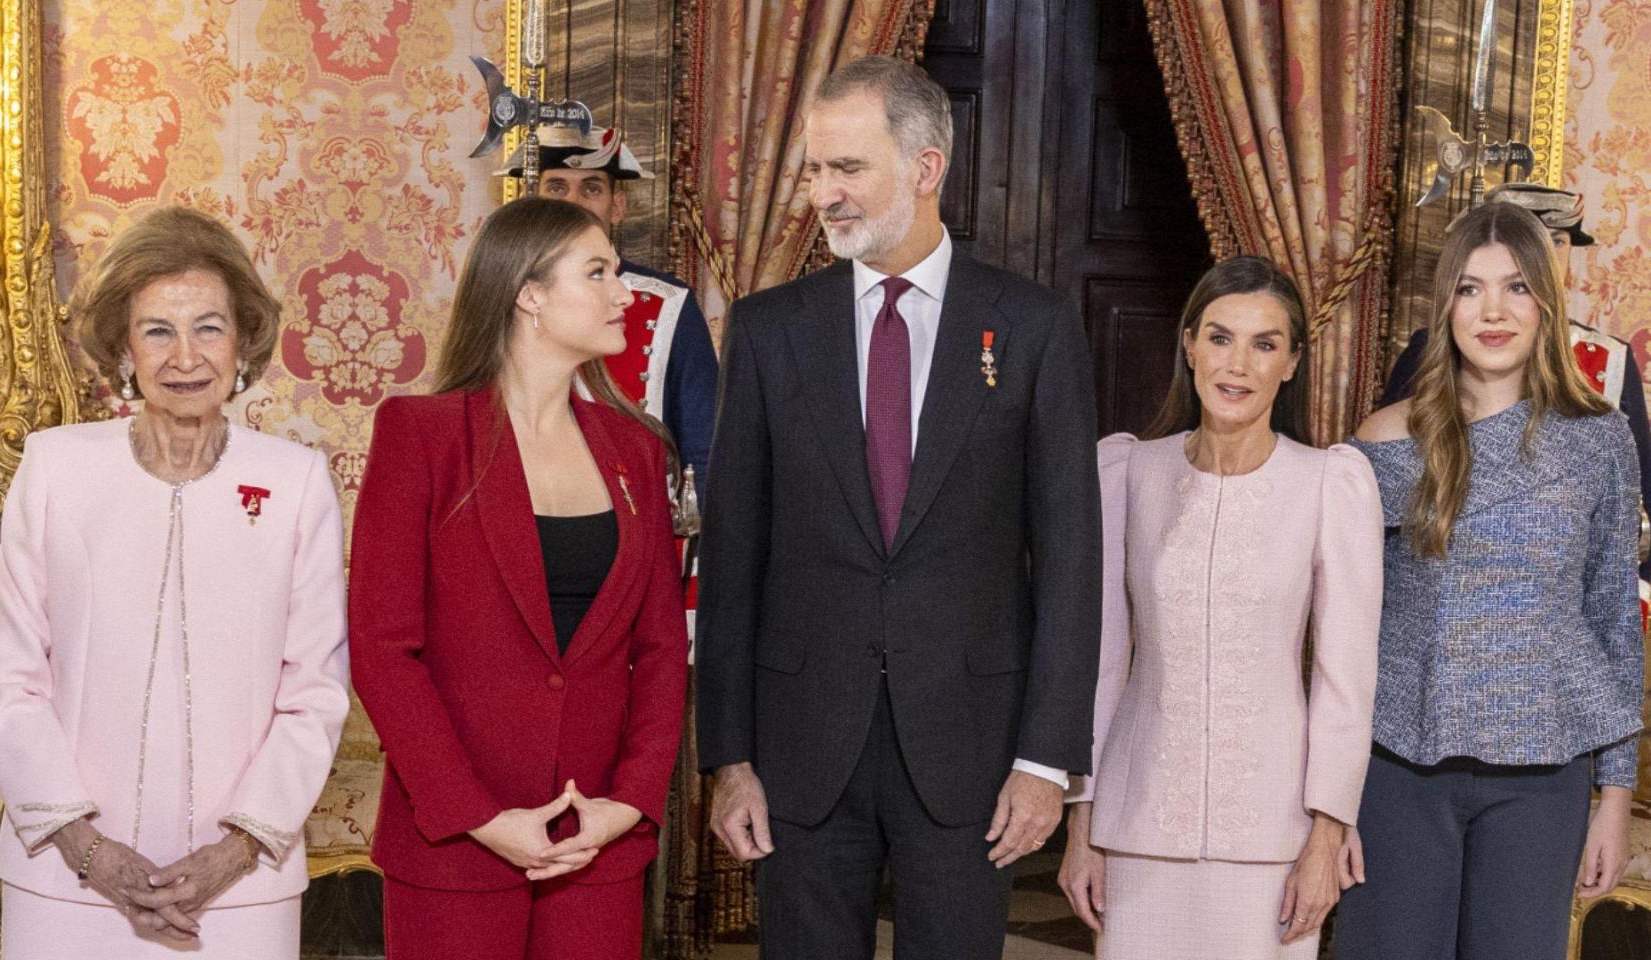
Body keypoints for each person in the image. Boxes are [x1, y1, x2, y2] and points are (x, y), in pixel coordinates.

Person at [695, 55, 1100, 959]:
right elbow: (733, 560)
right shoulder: (768, 331)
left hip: (970, 753)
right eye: (812, 169)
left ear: (925, 168)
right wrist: (729, 760)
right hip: (799, 753)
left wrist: (1046, 761)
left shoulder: (1031, 329)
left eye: (847, 169)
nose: (821, 195)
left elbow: (1071, 558)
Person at [0, 206, 350, 958]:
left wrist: (233, 855)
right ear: (123, 347)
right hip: (66, 881)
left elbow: (315, 692)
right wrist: (89, 853)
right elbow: (8, 677)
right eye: (158, 330)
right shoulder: (56, 469)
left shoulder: (297, 482)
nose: (186, 356)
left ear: (242, 340)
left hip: (239, 887)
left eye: (208, 327)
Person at [350, 196, 689, 960]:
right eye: (597, 272)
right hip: (456, 842)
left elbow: (663, 650)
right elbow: (381, 649)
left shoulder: (635, 448)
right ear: (528, 293)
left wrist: (628, 805)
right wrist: (480, 816)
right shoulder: (422, 436)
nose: (624, 292)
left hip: (592, 842)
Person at [1335, 201, 1643, 959]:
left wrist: (1615, 796)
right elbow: (1337, 626)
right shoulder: (1384, 439)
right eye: (1470, 289)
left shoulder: (1600, 440)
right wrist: (1327, 797)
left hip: (1544, 778)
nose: (1493, 311)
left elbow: (1612, 618)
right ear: (1446, 307)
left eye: (1515, 287)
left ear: (1546, 301)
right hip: (1399, 769)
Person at [1056, 256, 1382, 959]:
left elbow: (1345, 680)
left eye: (1265, 343)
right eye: (1220, 337)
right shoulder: (1127, 473)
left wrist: (1326, 836)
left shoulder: (1330, 484)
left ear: (1292, 361)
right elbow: (1100, 665)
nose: (1238, 364)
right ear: (1190, 344)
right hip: (1136, 829)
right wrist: (1082, 827)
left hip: (1274, 836)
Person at [1380, 183, 1651, 578]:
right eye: (1526, 243)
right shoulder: (1435, 348)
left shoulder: (1611, 358)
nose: (1540, 258)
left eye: (1556, 243)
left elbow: (1641, 503)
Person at [506, 124, 719, 496]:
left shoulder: (670, 303)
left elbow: (704, 453)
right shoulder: (506, 297)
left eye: (591, 188)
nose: (572, 202)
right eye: (557, 187)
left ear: (617, 206)